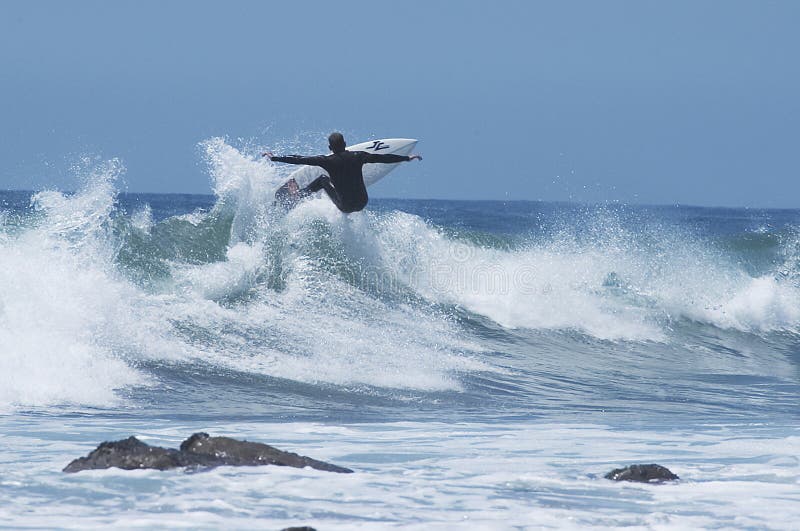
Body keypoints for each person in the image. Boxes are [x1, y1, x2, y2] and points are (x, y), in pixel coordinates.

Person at [263, 132, 422, 213]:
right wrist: (406, 158)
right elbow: (382, 158)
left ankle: (298, 196)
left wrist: (275, 158)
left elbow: (300, 159)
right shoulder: (358, 156)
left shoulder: (327, 160)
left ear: (330, 148)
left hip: (345, 206)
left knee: (323, 180)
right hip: (362, 202)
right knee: (342, 179)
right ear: (345, 144)